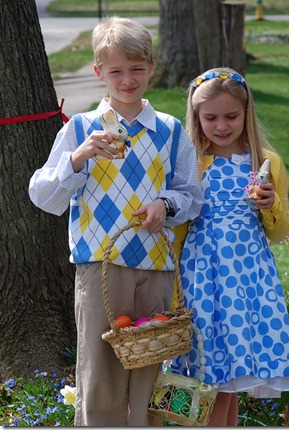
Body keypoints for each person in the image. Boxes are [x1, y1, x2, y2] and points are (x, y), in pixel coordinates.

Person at [28, 17, 203, 426]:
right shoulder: (81, 129)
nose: (127, 80)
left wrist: (165, 204)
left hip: (156, 266)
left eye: (137, 69)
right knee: (100, 373)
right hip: (100, 268)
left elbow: (193, 196)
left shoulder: (170, 131)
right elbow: (44, 196)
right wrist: (78, 157)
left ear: (152, 67)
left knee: (150, 369)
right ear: (98, 72)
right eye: (116, 71)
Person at [169, 67, 289, 426]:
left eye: (231, 116)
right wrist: (174, 286)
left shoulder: (265, 162)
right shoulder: (191, 162)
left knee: (231, 378)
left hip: (248, 279)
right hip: (203, 278)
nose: (222, 126)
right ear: (196, 116)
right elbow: (178, 230)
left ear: (246, 112)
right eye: (210, 118)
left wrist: (270, 205)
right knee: (208, 373)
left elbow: (279, 233)